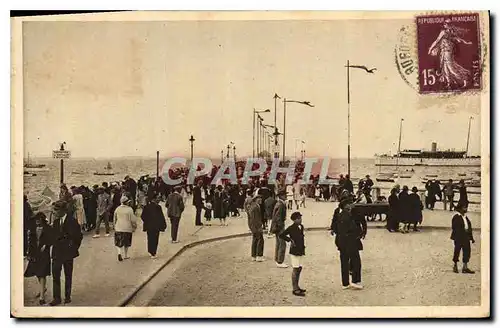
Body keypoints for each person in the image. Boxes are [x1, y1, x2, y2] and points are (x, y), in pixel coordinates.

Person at [49, 200, 83, 306]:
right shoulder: (55, 222)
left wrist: (73, 248)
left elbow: (79, 236)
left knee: (68, 275)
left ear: (63, 210)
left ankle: (67, 296)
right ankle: (57, 298)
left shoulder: (72, 221)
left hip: (68, 254)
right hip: (57, 253)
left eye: (56, 210)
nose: (54, 212)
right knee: (55, 275)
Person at [330, 196, 367, 290]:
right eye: (350, 203)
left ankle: (345, 283)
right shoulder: (348, 216)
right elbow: (352, 229)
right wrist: (358, 235)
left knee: (344, 263)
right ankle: (355, 281)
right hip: (350, 242)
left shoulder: (340, 214)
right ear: (347, 206)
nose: (352, 205)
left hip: (342, 242)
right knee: (356, 262)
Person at [24, 213, 53, 305]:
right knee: (37, 272)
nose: (37, 221)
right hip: (34, 253)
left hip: (44, 254)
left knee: (42, 273)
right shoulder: (32, 229)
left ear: (42, 220)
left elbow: (52, 239)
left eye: (39, 219)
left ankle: (42, 297)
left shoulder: (48, 228)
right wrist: (29, 253)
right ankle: (43, 288)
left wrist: (46, 245)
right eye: (36, 219)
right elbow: (30, 242)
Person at [279, 212, 306, 297]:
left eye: (300, 218)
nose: (300, 220)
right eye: (298, 218)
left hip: (301, 250)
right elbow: (282, 235)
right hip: (294, 251)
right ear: (294, 220)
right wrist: (290, 240)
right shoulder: (291, 228)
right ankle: (294, 288)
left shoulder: (301, 227)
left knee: (300, 268)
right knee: (295, 269)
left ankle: (297, 286)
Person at [451, 203, 475, 274]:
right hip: (459, 237)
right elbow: (454, 227)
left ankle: (465, 267)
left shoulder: (466, 217)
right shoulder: (456, 217)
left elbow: (469, 227)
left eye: (466, 208)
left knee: (467, 251)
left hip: (466, 237)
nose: (466, 209)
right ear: (460, 209)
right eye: (464, 207)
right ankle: (455, 266)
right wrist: (462, 231)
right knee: (457, 251)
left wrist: (471, 237)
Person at [141, 194, 167, 258]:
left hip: (149, 226)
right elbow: (161, 217)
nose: (159, 199)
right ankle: (153, 252)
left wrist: (147, 221)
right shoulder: (158, 207)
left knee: (149, 238)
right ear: (154, 199)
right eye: (158, 198)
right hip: (156, 226)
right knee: (155, 239)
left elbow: (142, 216)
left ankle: (150, 251)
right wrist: (163, 225)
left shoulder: (146, 206)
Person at [113, 195, 138, 261]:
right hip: (127, 228)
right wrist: (135, 226)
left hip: (118, 227)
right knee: (126, 243)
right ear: (126, 202)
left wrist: (114, 226)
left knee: (118, 242)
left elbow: (114, 219)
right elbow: (133, 220)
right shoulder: (129, 209)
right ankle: (126, 255)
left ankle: (119, 253)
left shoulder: (117, 209)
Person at [270, 190, 288, 268]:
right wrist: (281, 227)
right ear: (281, 196)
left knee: (278, 243)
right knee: (282, 243)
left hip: (276, 226)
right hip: (279, 226)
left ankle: (277, 259)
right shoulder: (281, 204)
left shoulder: (278, 203)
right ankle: (280, 261)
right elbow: (278, 217)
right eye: (284, 195)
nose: (286, 196)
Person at [248, 195, 265, 262]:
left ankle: (254, 255)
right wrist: (258, 227)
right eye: (259, 198)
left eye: (261, 198)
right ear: (255, 199)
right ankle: (259, 256)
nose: (260, 199)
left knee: (255, 240)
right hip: (257, 226)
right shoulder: (255, 207)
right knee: (260, 240)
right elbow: (255, 219)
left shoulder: (253, 206)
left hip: (254, 226)